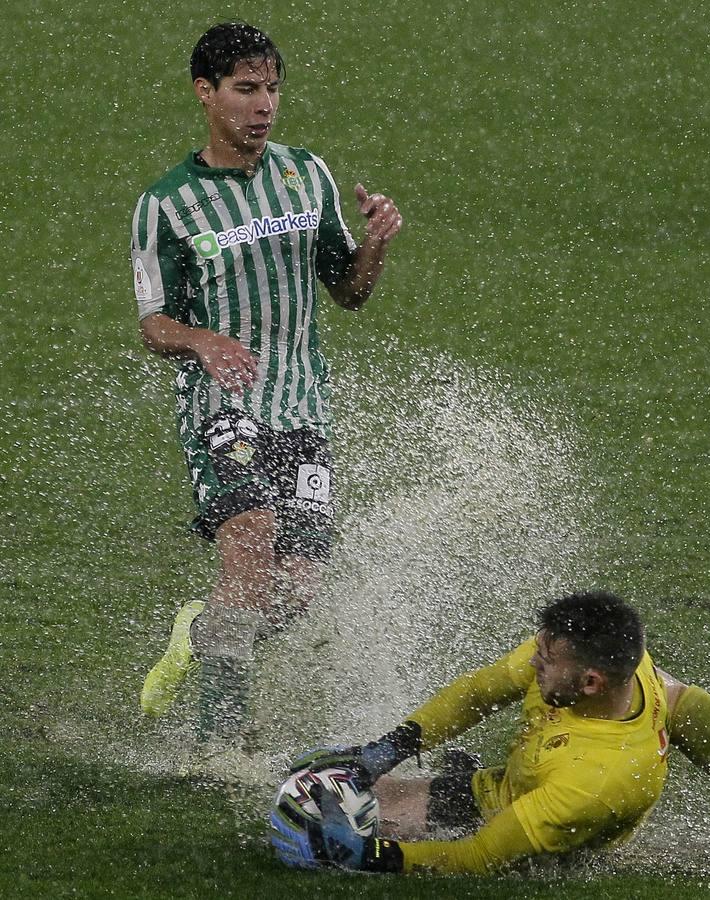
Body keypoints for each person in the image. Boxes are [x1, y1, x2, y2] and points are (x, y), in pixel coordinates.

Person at [130, 22, 402, 769]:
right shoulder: (167, 205)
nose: (264, 106)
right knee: (248, 548)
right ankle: (220, 740)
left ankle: (201, 630)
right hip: (223, 408)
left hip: (302, 408)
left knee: (295, 589)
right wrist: (203, 341)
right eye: (246, 90)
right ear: (205, 93)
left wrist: (376, 240)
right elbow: (153, 322)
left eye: (272, 89)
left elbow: (349, 291)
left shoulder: (304, 176)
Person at [270, 591, 710, 874]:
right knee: (313, 783)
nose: (532, 666)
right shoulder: (616, 667)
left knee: (337, 836)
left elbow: (481, 856)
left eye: (546, 661)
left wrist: (374, 858)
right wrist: (387, 750)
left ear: (591, 682)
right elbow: (481, 690)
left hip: (532, 833)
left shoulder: (594, 781)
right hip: (509, 785)